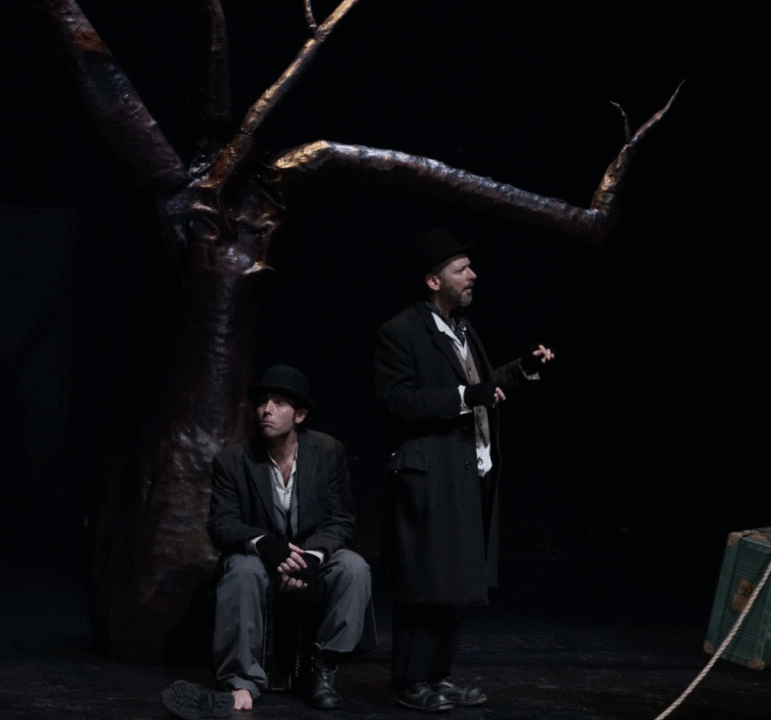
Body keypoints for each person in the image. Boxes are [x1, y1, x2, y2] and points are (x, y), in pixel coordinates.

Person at [374, 229, 554, 712]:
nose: (472, 275)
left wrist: (522, 369)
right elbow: (396, 401)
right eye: (461, 269)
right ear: (433, 281)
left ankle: (438, 675)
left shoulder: (462, 329)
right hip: (428, 475)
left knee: (452, 580)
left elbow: (483, 386)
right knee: (424, 582)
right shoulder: (401, 331)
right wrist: (463, 398)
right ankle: (407, 681)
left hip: (466, 471)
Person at [202, 365, 370, 713]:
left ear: (300, 415)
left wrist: (313, 557)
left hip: (311, 561)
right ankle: (240, 680)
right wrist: (263, 543)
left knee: (354, 568)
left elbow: (341, 518)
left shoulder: (327, 452)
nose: (266, 410)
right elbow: (221, 523)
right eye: (263, 401)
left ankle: (324, 668)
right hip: (259, 565)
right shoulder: (233, 460)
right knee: (241, 570)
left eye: (279, 403)